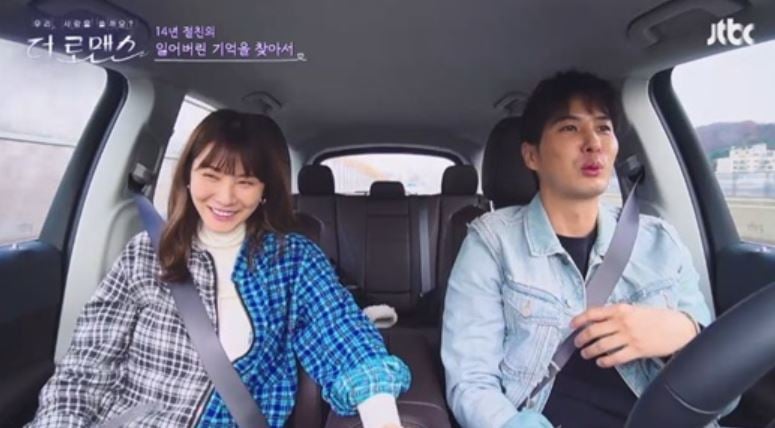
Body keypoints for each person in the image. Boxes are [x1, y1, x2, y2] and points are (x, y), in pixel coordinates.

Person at [28, 109, 410, 427]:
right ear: (188, 175)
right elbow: (85, 368)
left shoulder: (294, 260)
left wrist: (382, 416)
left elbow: (343, 335)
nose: (225, 198)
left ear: (265, 189)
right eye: (210, 176)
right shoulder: (145, 253)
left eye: (245, 181)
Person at [441, 71, 733, 428]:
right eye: (570, 127)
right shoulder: (492, 242)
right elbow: (472, 382)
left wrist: (685, 335)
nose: (593, 143)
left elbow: (725, 402)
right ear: (531, 156)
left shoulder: (661, 242)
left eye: (603, 128)